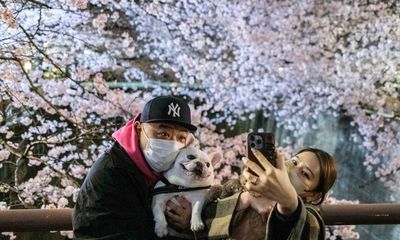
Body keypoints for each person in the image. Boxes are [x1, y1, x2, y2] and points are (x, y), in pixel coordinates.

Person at [72, 95, 197, 239]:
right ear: (138, 130)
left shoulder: (172, 171)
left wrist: (191, 219)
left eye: (181, 138)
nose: (172, 143)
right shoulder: (111, 174)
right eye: (163, 133)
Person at [166, 147, 337, 240]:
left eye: (305, 174)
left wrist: (289, 203)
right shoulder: (239, 188)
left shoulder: (309, 219)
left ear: (313, 195)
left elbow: (305, 229)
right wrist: (244, 199)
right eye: (294, 161)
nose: (292, 168)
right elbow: (203, 225)